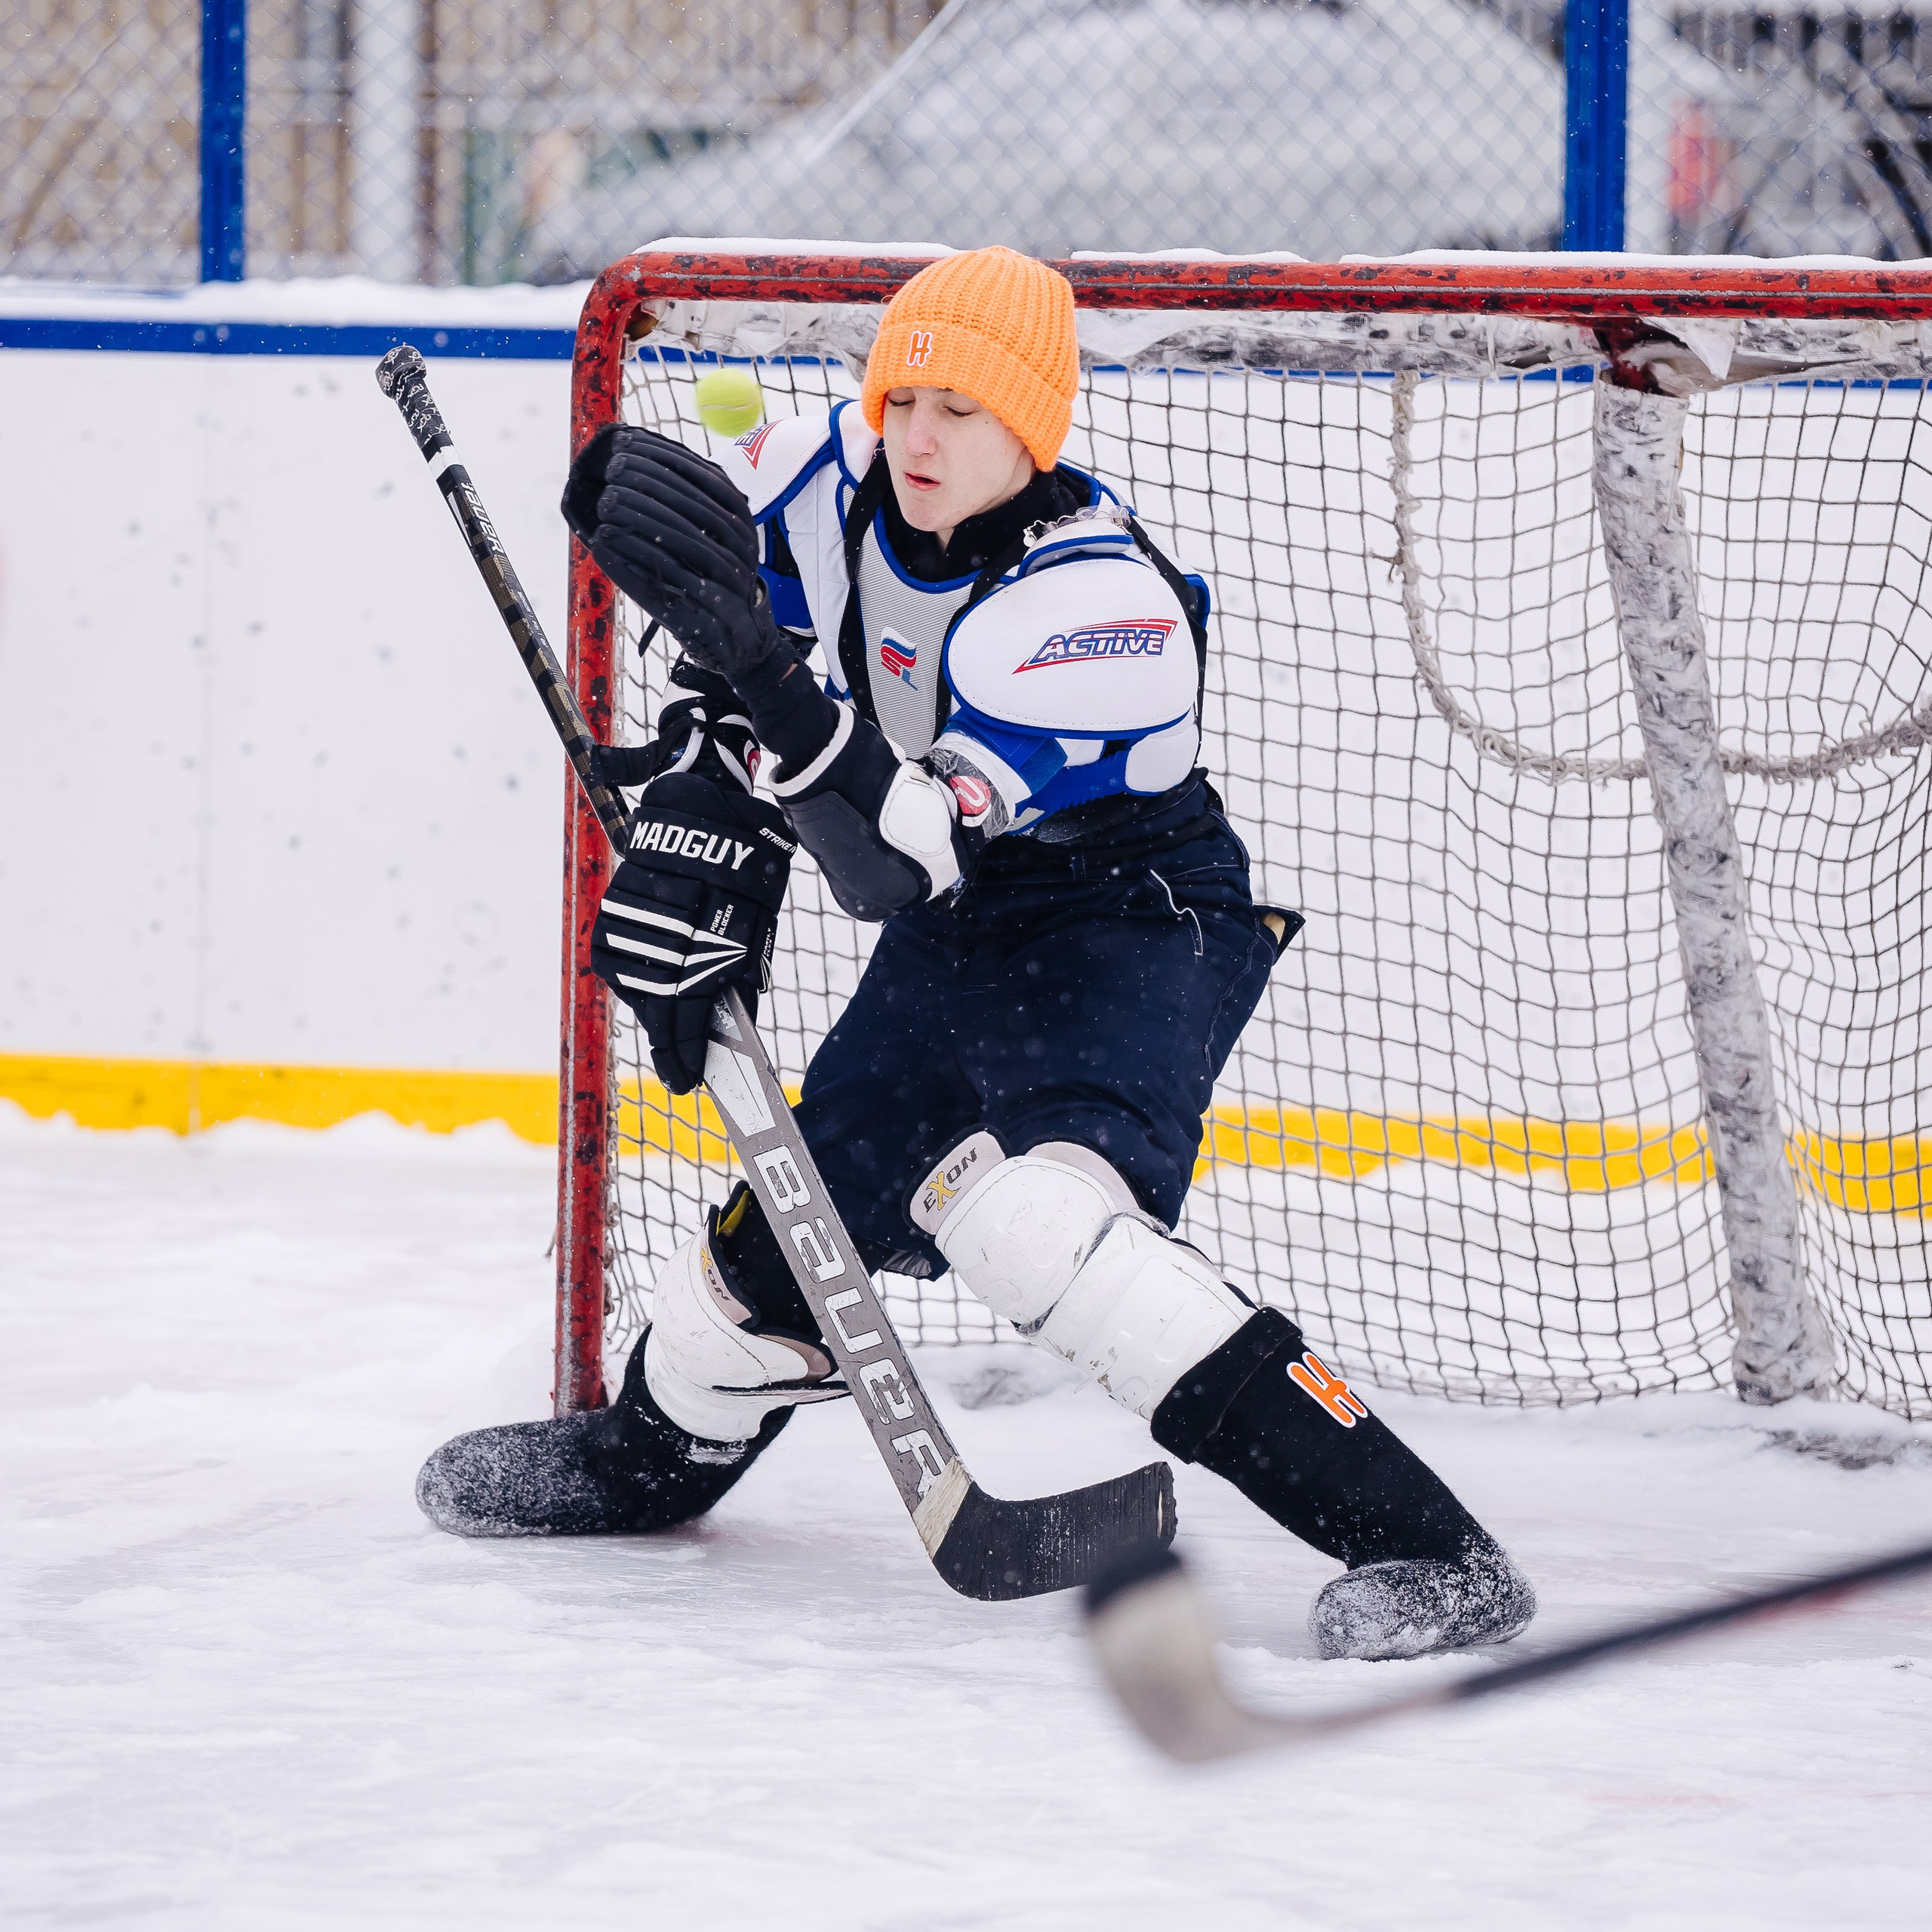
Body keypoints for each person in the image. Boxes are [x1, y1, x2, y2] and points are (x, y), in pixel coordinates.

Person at [416, 247, 1535, 1660]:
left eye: (967, 408)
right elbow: (738, 674)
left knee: (1041, 1232)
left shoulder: (1097, 612)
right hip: (969, 924)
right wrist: (704, 834)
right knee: (787, 1239)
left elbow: (887, 855)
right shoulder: (829, 482)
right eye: (904, 397)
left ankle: (1436, 1551)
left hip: (1131, 920)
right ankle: (651, 1460)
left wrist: (767, 684)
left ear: (1037, 429)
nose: (923, 435)